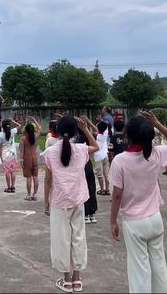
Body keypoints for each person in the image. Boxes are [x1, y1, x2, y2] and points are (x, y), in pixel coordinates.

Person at [109, 111, 167, 293]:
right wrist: (157, 123)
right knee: (158, 264)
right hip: (155, 218)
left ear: (128, 136)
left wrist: (112, 221)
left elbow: (117, 195)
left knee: (139, 269)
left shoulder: (120, 160)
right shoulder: (155, 153)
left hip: (134, 222)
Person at [43, 116, 99, 293]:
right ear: (76, 131)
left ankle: (66, 280)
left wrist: (46, 201)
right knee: (78, 237)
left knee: (61, 239)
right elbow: (96, 147)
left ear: (56, 131)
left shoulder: (50, 152)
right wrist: (85, 129)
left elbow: (47, 180)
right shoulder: (81, 150)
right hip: (77, 199)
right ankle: (77, 279)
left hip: (59, 201)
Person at [75, 127, 98, 225]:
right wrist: (86, 129)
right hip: (88, 164)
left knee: (83, 189)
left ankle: (86, 214)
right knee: (91, 188)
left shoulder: (76, 141)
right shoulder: (87, 138)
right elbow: (96, 146)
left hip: (81, 165)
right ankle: (92, 213)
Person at [20, 117, 42, 201]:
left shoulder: (23, 139)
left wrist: (21, 160)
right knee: (35, 177)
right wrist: (35, 120)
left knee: (28, 178)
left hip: (27, 159)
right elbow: (39, 128)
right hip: (35, 158)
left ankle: (28, 195)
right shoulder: (36, 136)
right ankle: (35, 194)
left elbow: (22, 151)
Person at [0, 118, 22, 193]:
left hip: (5, 154)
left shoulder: (0, 135)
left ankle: (8, 187)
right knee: (13, 171)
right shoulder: (13, 131)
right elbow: (20, 125)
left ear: (3, 127)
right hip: (13, 153)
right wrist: (13, 121)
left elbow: (0, 147)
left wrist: (0, 156)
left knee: (7, 172)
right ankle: (13, 187)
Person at [88, 119, 110, 196]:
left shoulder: (99, 138)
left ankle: (102, 190)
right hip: (105, 156)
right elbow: (100, 128)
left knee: (100, 175)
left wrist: (89, 122)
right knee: (106, 174)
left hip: (98, 157)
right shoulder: (105, 132)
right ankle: (107, 189)